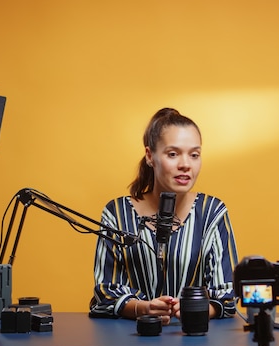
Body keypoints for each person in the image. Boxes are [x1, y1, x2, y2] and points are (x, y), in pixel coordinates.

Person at [89, 107, 239, 325]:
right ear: (150, 156)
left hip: (194, 340)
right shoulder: (116, 214)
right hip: (131, 340)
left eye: (194, 155)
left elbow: (225, 297)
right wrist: (143, 308)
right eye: (172, 154)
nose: (185, 165)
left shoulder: (212, 212)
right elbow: (105, 293)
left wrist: (194, 310)